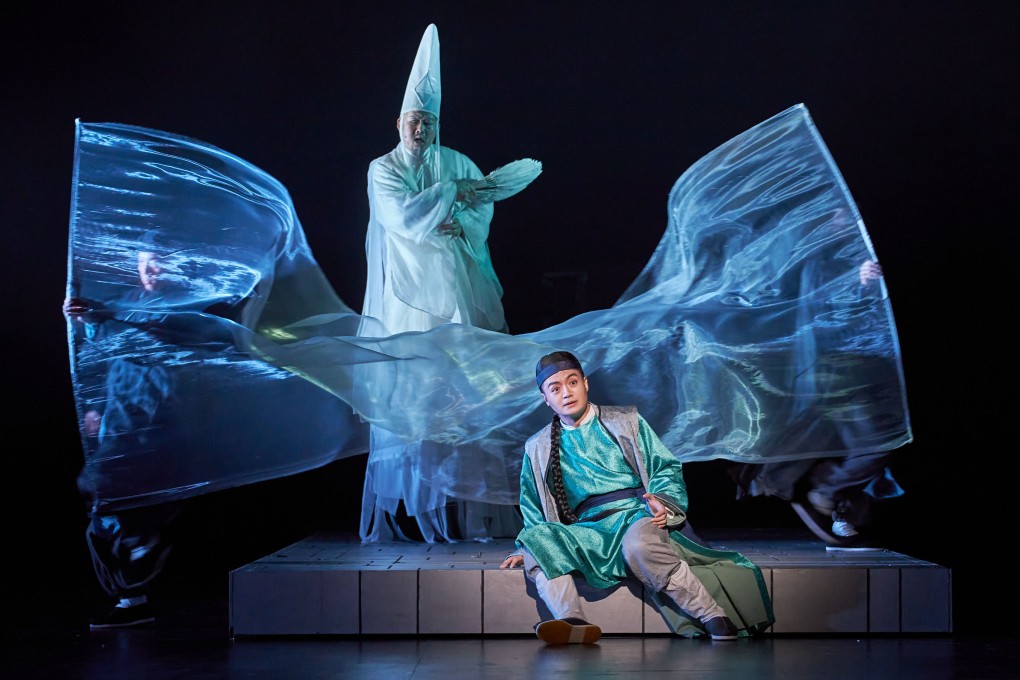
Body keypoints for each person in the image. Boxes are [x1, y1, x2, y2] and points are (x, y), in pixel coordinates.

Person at [356, 24, 520, 543]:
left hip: (459, 289)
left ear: (436, 124)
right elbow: (400, 217)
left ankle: (479, 508)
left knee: (472, 389)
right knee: (418, 394)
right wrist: (451, 196)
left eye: (427, 120)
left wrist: (463, 213)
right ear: (398, 123)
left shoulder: (456, 160)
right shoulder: (382, 167)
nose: (419, 128)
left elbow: (483, 206)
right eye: (412, 120)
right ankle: (421, 510)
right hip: (411, 297)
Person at [500, 351, 774, 645]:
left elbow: (663, 466)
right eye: (555, 388)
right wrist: (530, 543)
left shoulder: (625, 420)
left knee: (640, 545)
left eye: (572, 382)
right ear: (545, 398)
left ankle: (713, 615)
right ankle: (572, 621)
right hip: (589, 531)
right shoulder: (538, 447)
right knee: (538, 541)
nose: (566, 393)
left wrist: (661, 499)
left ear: (585, 384)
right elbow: (533, 506)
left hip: (635, 514)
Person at [64, 230, 243, 628]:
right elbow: (103, 349)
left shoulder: (188, 305)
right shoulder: (127, 302)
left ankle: (137, 583)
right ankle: (134, 582)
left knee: (119, 493)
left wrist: (104, 314)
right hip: (120, 418)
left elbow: (172, 335)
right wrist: (93, 404)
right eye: (144, 263)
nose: (150, 270)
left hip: (160, 423)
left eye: (158, 262)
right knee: (101, 499)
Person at [728, 259, 905, 547]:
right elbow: (823, 309)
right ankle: (826, 490)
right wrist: (856, 283)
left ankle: (832, 497)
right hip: (840, 372)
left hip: (859, 371)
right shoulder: (825, 261)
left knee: (847, 443)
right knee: (878, 442)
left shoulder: (854, 252)